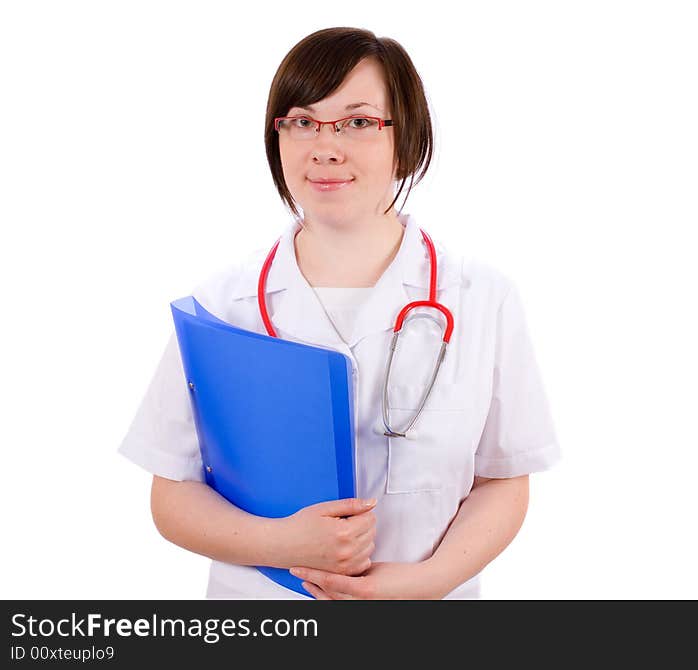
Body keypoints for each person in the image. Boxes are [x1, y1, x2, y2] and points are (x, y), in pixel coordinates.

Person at [118, 26, 560, 600]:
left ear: (408, 141)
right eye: (301, 121)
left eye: (358, 122)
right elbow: (171, 494)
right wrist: (280, 543)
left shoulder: (481, 297)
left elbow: (504, 477)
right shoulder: (222, 306)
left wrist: (425, 583)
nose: (325, 146)